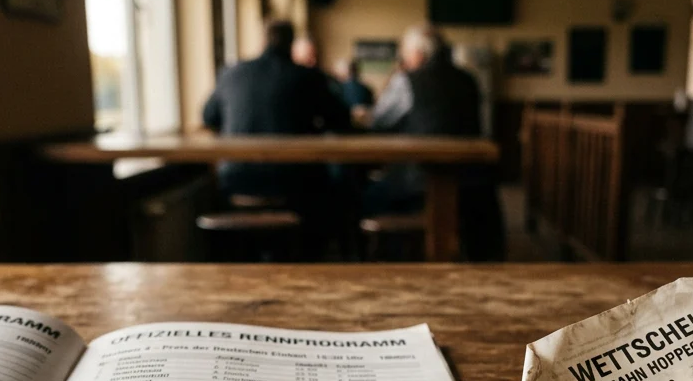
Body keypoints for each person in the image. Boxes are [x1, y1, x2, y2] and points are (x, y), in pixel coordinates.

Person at [202, 21, 349, 258]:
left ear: (263, 40)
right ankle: (322, 261)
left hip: (236, 179)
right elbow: (341, 119)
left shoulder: (232, 73)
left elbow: (208, 116)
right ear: (292, 43)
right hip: (293, 183)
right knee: (333, 185)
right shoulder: (307, 77)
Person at [365, 25, 503, 260]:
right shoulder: (468, 80)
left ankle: (387, 261)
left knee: (366, 197)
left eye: (405, 54)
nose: (404, 59)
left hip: (417, 184)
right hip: (473, 185)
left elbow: (378, 121)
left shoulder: (407, 81)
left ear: (418, 54)